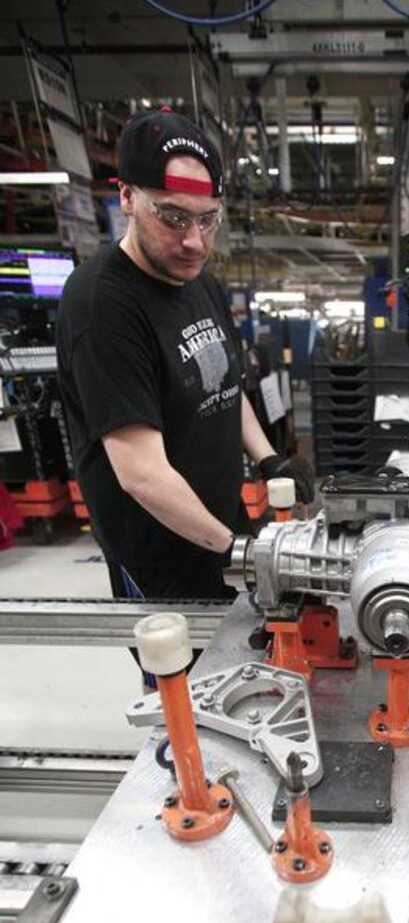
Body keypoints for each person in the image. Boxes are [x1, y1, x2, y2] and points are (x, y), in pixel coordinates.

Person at [57, 107, 314, 602]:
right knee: (182, 681)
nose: (195, 241)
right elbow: (141, 473)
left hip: (220, 532)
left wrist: (268, 461)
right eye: (173, 217)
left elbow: (224, 385)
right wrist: (241, 553)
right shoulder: (101, 304)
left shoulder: (201, 283)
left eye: (208, 219)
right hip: (160, 563)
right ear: (127, 196)